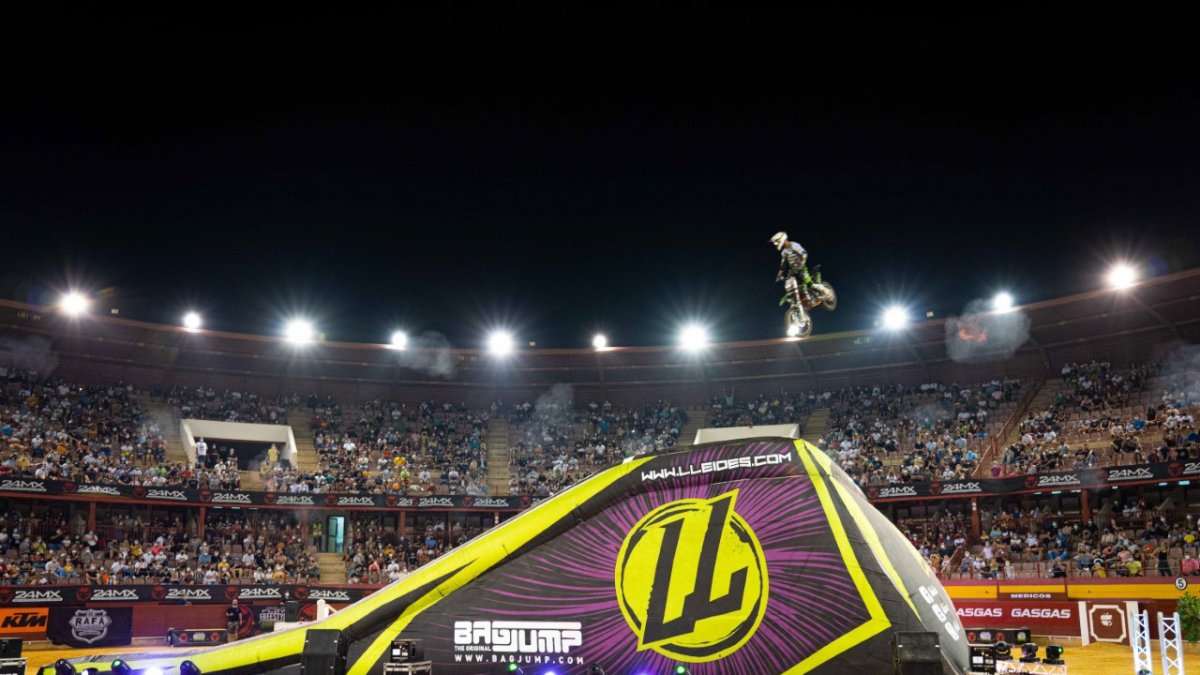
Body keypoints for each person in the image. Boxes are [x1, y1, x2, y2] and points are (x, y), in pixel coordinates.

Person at [771, 231, 814, 301]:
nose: (776, 244)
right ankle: (796, 299)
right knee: (788, 284)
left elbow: (804, 253)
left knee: (809, 283)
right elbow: (783, 264)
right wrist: (780, 273)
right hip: (793, 270)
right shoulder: (783, 252)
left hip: (801, 267)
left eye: (777, 242)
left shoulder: (793, 245)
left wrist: (803, 261)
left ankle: (822, 290)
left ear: (781, 239)